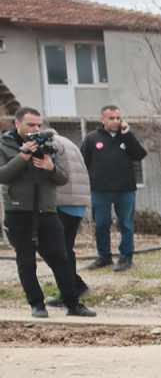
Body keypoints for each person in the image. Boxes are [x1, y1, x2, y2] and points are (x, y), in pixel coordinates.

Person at [1, 108, 95, 317]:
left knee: (61, 258)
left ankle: (72, 304)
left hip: (47, 211)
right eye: (31, 125)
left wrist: (50, 166)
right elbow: (3, 175)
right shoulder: (5, 145)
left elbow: (62, 178)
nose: (36, 129)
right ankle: (37, 304)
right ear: (17, 124)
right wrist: (22, 156)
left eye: (38, 125)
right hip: (19, 211)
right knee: (26, 260)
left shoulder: (48, 146)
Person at [80, 105, 146, 272]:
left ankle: (126, 257)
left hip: (125, 190)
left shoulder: (126, 137)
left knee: (126, 224)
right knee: (101, 224)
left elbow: (139, 155)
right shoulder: (92, 139)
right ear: (103, 120)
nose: (116, 121)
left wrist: (128, 135)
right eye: (111, 118)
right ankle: (104, 256)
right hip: (99, 190)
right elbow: (83, 162)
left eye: (118, 118)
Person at [48, 120, 92, 306]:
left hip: (61, 202)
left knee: (56, 251)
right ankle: (71, 289)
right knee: (66, 249)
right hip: (76, 203)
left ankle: (72, 288)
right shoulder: (68, 142)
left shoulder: (50, 144)